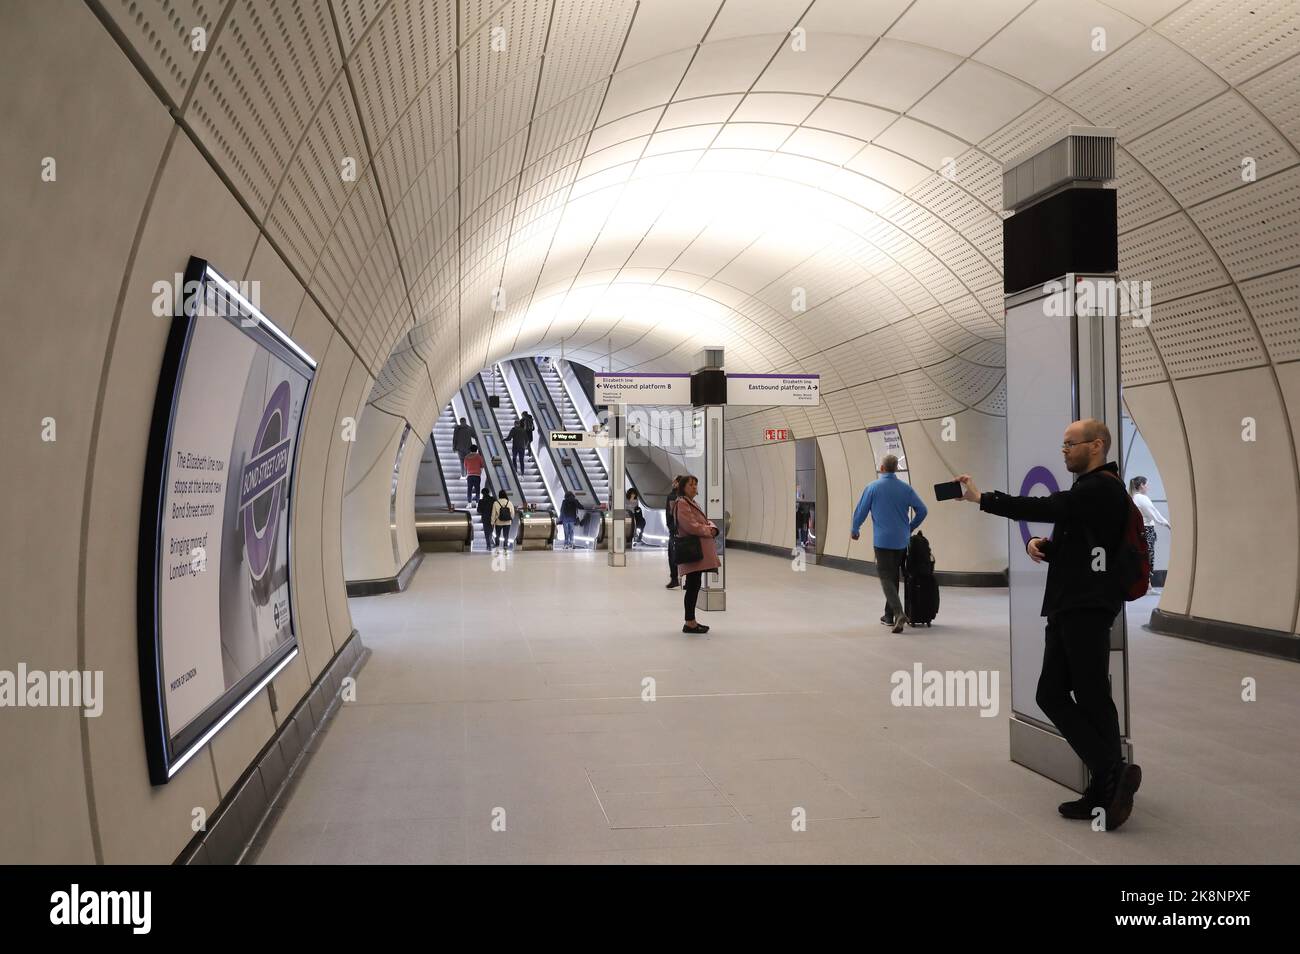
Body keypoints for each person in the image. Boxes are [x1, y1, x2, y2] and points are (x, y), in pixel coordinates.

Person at [956, 417, 1143, 831]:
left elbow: (1045, 507)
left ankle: (1109, 777)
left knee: (1086, 695)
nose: (1063, 451)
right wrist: (1048, 547)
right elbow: (1089, 548)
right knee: (1059, 693)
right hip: (1071, 604)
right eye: (1062, 444)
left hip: (1087, 607)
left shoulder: (1100, 489)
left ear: (1096, 446)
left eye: (1070, 444)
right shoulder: (1091, 491)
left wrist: (981, 498)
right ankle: (1108, 780)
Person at [850, 455, 928, 634]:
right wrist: (910, 527)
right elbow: (923, 510)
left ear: (882, 468)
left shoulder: (872, 488)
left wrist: (855, 530)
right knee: (893, 576)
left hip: (883, 540)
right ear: (896, 469)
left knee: (885, 576)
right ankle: (888, 615)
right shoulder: (906, 489)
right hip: (902, 541)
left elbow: (861, 511)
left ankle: (899, 613)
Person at [672, 475, 719, 634]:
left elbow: (703, 521)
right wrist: (709, 530)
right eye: (690, 485)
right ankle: (690, 622)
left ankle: (691, 621)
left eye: (695, 484)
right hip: (693, 551)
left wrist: (711, 526)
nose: (694, 487)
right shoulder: (682, 503)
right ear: (683, 487)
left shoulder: (691, 503)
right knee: (692, 586)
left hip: (697, 551)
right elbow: (691, 526)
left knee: (694, 584)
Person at [1128, 476, 1170, 581]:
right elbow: (1153, 512)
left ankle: (1147, 584)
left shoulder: (1133, 497)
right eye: (1146, 484)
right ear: (1141, 485)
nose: (1148, 487)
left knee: (1144, 557)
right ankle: (1148, 584)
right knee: (1148, 557)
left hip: (1140, 531)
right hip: (1147, 530)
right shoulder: (1142, 498)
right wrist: (1166, 523)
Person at [665, 476, 682, 588]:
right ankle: (686, 579)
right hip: (684, 529)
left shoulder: (673, 496)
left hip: (675, 529)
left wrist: (671, 526)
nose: (673, 482)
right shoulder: (686, 496)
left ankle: (674, 578)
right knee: (686, 555)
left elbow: (671, 513)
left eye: (675, 481)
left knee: (672, 554)